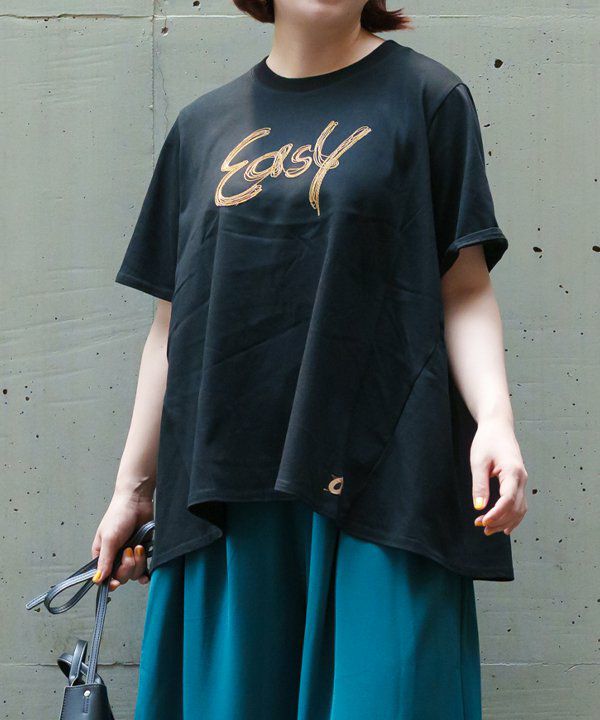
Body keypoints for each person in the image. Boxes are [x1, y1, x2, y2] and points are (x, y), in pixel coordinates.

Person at [92, 1, 529, 718]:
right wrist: (132, 492)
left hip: (382, 482)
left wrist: (496, 423)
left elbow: (465, 288)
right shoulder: (202, 128)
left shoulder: (429, 99)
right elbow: (171, 328)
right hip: (226, 495)